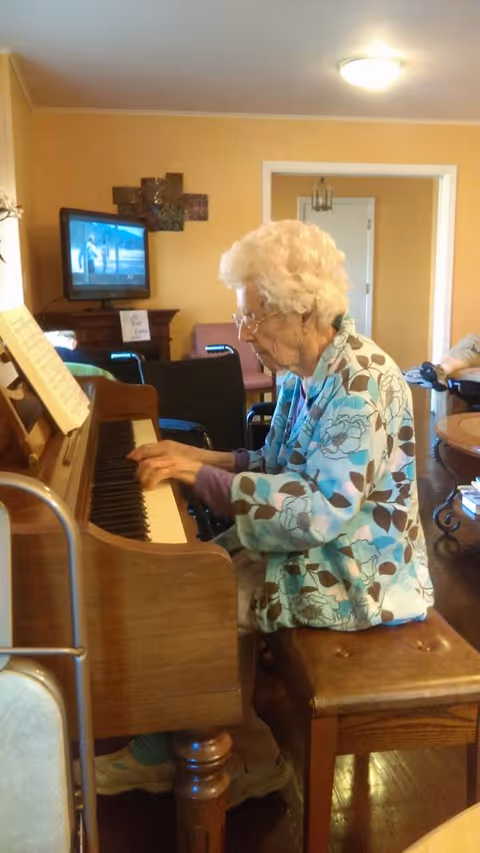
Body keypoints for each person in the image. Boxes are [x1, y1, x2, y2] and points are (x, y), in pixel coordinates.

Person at [89, 220, 433, 805]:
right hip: (320, 545)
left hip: (360, 571)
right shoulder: (306, 371)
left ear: (303, 311)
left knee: (196, 598)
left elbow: (320, 512)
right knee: (185, 577)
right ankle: (221, 740)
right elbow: (273, 462)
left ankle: (233, 754)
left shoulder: (361, 381)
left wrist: (204, 479)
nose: (244, 332)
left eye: (253, 316)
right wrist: (193, 454)